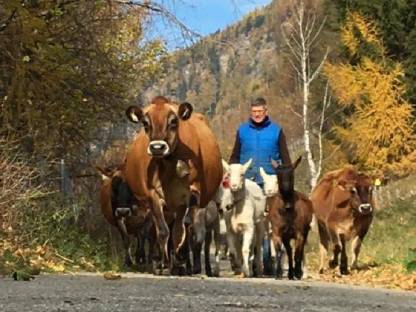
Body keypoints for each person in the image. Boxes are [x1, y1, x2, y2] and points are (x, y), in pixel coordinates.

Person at [229, 97, 291, 276]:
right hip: (247, 182)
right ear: (251, 112)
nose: (257, 115)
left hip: (269, 182)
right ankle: (248, 260)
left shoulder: (276, 131)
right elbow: (235, 156)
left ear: (266, 111)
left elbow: (285, 158)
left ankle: (268, 259)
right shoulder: (242, 131)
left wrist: (285, 178)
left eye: (260, 112)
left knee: (270, 222)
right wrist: (233, 172)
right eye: (254, 112)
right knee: (249, 222)